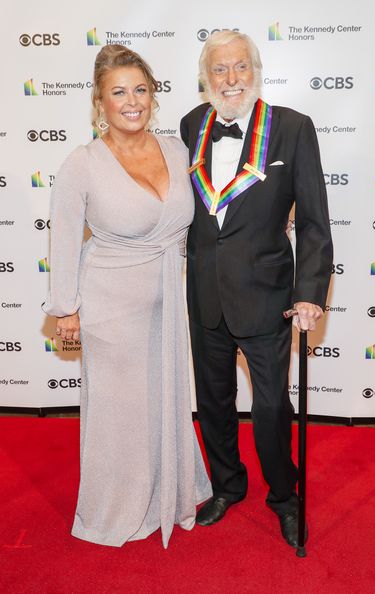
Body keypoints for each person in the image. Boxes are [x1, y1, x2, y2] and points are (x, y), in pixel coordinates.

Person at [43, 44, 212, 548]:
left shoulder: (177, 149)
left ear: (153, 96)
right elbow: (64, 237)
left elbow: (213, 206)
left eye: (140, 89)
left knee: (161, 400)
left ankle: (168, 490)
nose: (131, 101)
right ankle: (113, 508)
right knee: (119, 414)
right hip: (110, 306)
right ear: (100, 102)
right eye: (119, 92)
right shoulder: (82, 163)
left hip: (167, 301)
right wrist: (65, 309)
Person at [180, 30, 333, 548]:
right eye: (219, 70)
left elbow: (313, 222)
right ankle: (227, 485)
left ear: (256, 70)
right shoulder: (192, 125)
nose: (230, 79)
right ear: (206, 78)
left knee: (271, 407)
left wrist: (310, 290)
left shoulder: (292, 128)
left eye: (240, 67)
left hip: (268, 298)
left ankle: (285, 498)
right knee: (214, 401)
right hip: (204, 295)